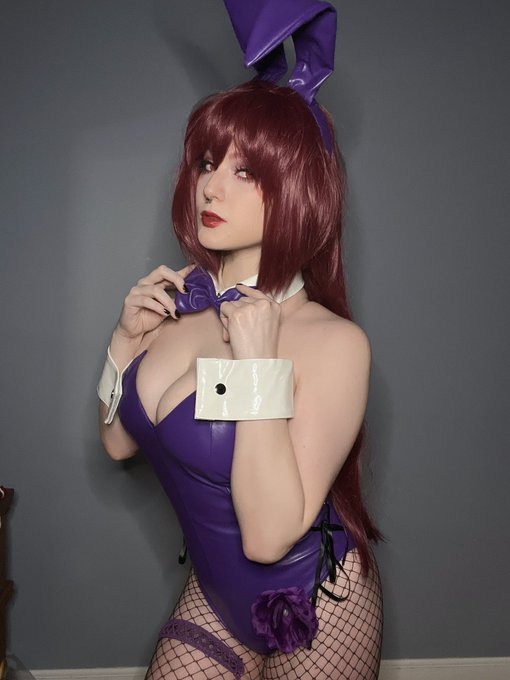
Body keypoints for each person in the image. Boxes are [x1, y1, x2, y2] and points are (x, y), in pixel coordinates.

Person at [98, 77, 382, 679]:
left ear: (295, 191)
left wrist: (257, 368)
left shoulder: (335, 343)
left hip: (317, 601)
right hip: (214, 592)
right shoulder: (175, 309)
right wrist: (123, 341)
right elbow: (118, 443)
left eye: (245, 171)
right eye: (208, 163)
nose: (211, 186)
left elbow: (267, 539)